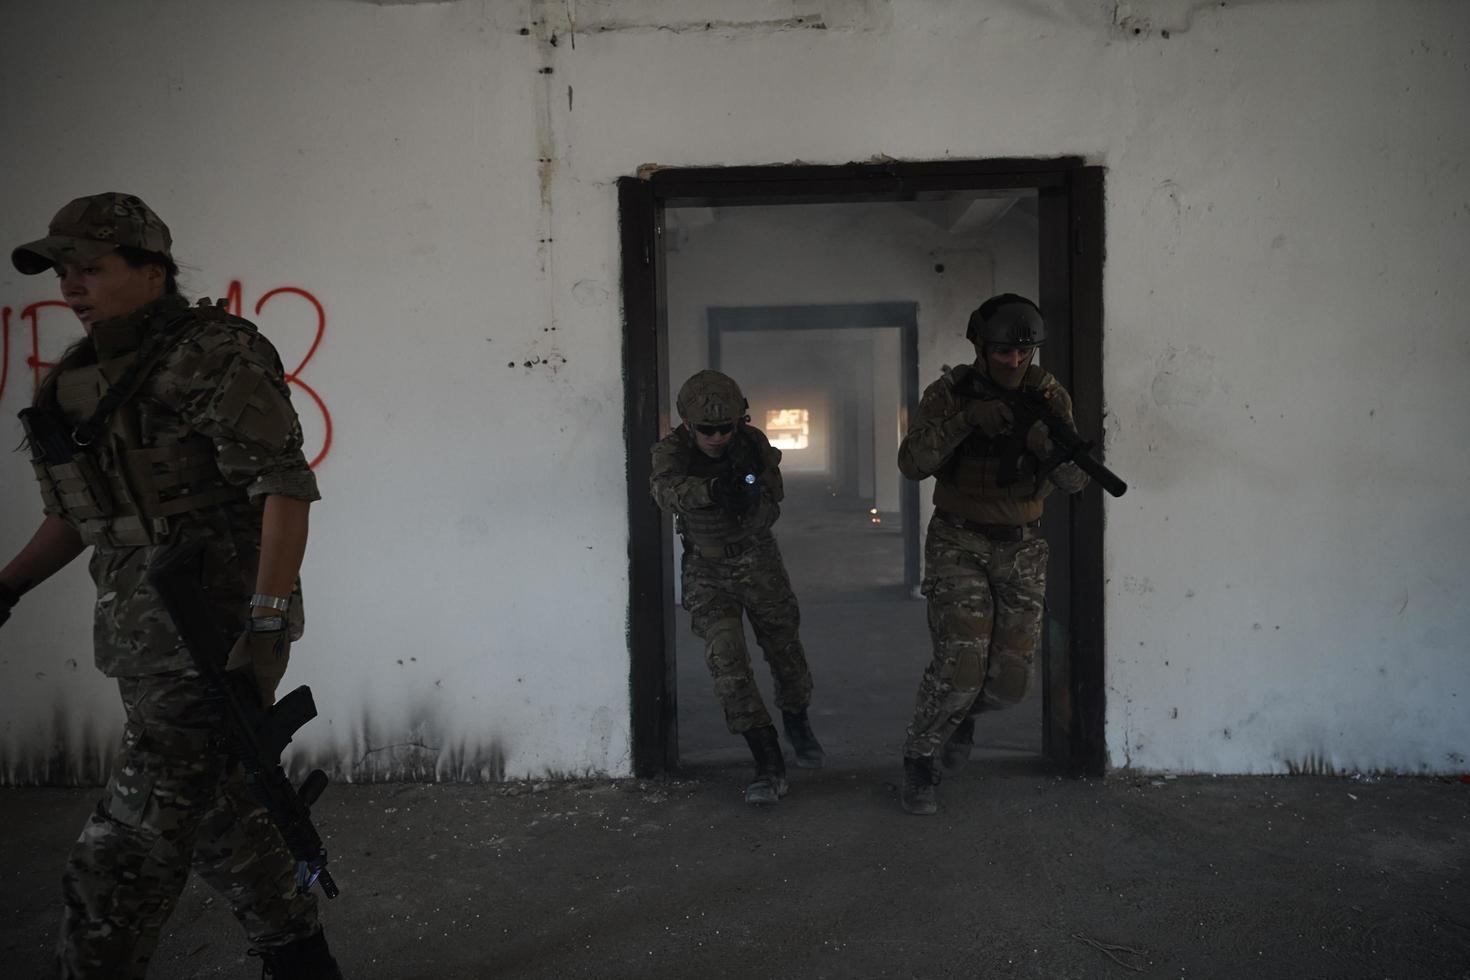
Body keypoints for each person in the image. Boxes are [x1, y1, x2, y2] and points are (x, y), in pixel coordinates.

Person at [0, 193, 342, 977]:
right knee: (224, 811)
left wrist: (263, 622)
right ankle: (300, 957)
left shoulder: (212, 353)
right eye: (62, 272)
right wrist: (8, 586)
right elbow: (78, 515)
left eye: (91, 268)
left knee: (120, 854)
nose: (71, 287)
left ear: (152, 271)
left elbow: (283, 487)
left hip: (213, 630)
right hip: (135, 638)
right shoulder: (75, 381)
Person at [895, 294, 1089, 815]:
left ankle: (960, 717)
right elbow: (912, 463)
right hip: (959, 541)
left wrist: (1047, 445)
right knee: (960, 668)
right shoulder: (950, 393)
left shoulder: (1049, 397)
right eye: (1003, 351)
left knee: (1008, 684)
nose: (1014, 362)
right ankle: (921, 760)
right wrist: (966, 421)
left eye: (1024, 353)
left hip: (1022, 548)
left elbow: (1075, 481)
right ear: (980, 346)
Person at [650, 370, 825, 804]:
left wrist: (749, 503)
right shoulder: (671, 451)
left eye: (725, 428)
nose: (716, 437)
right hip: (707, 568)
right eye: (705, 430)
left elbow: (774, 497)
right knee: (726, 662)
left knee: (784, 649)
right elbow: (664, 491)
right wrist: (713, 490)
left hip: (757, 558)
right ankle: (766, 758)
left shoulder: (752, 444)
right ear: (688, 426)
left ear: (740, 421)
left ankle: (796, 720)